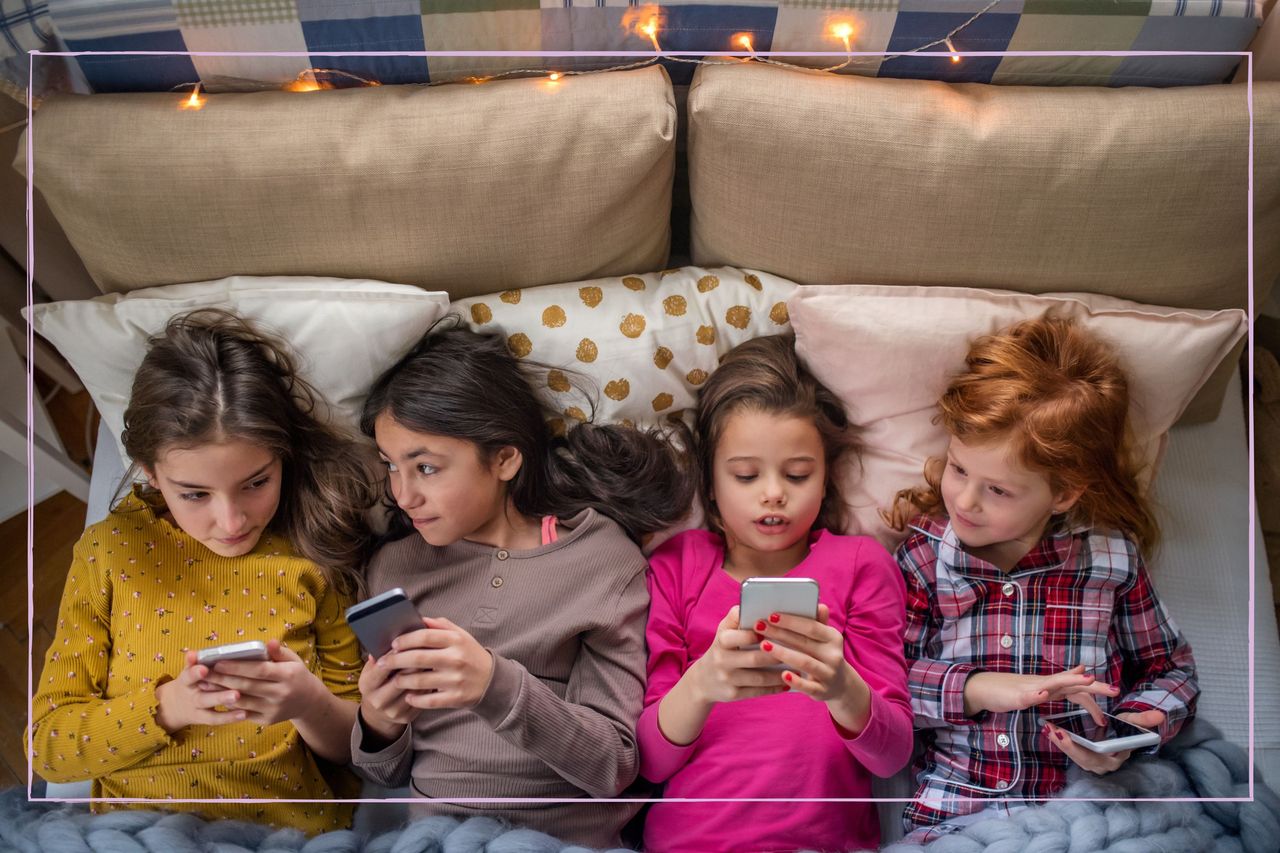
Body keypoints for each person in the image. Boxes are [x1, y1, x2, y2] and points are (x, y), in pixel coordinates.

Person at [27, 309, 377, 833]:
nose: (231, 521)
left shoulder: (310, 551)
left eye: (256, 482)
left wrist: (308, 702)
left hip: (286, 833)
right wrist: (168, 705)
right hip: (139, 834)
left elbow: (359, 753)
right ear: (151, 473)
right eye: (195, 494)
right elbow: (49, 750)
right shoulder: (110, 551)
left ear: (283, 456)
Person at [349, 321, 693, 850]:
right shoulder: (395, 566)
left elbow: (615, 764)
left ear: (505, 459)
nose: (403, 495)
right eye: (391, 468)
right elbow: (385, 774)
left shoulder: (601, 560)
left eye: (425, 468)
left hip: (562, 838)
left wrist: (493, 684)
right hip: (433, 837)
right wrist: (377, 722)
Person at [885, 315, 1199, 839]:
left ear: (1064, 493)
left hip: (1084, 808)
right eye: (958, 469)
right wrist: (983, 688)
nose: (964, 500)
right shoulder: (925, 556)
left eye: (999, 490)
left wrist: (1134, 730)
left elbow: (1172, 670)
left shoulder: (1109, 560)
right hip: (957, 811)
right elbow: (887, 686)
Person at [638, 334, 914, 853]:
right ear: (711, 483)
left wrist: (841, 688)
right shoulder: (676, 566)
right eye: (746, 474)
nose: (773, 492)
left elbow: (892, 754)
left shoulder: (862, 565)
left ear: (826, 477)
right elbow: (650, 760)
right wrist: (702, 684)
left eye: (797, 474)